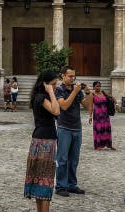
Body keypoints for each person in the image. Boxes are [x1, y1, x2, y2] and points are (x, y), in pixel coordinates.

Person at [24, 70, 61, 212]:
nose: (55, 86)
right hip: (45, 141)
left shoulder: (38, 96)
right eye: (53, 84)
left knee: (41, 179)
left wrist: (51, 92)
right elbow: (56, 111)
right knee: (45, 181)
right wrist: (51, 92)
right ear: (45, 84)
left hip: (40, 139)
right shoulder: (41, 97)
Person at [54, 66, 93, 197]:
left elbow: (88, 107)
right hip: (64, 128)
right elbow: (63, 105)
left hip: (77, 128)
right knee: (62, 159)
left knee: (74, 160)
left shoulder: (77, 91)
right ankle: (60, 186)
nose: (72, 79)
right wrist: (75, 92)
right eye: (70, 76)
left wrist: (88, 94)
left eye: (74, 76)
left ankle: (71, 184)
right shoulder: (59, 90)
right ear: (63, 76)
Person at [90, 81, 115, 150]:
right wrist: (90, 116)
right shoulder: (92, 95)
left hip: (105, 114)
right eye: (97, 86)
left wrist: (116, 104)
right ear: (94, 87)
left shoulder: (103, 93)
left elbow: (112, 97)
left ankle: (109, 145)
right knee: (98, 129)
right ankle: (98, 145)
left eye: (99, 86)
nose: (98, 87)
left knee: (107, 129)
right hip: (97, 115)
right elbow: (90, 106)